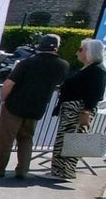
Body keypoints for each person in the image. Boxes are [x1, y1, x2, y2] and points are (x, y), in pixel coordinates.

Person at [0, 33, 69, 179]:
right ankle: (22, 170)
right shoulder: (63, 65)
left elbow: (8, 84)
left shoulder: (27, 63)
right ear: (56, 48)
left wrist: (4, 100)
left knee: (6, 139)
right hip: (37, 107)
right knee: (26, 138)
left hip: (15, 106)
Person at [44, 38, 106, 181]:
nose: (78, 53)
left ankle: (64, 172)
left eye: (81, 50)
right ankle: (59, 170)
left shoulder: (97, 70)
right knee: (65, 140)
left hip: (78, 110)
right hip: (72, 109)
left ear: (89, 52)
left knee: (71, 141)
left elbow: (96, 93)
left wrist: (87, 110)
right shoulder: (89, 68)